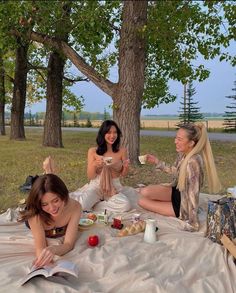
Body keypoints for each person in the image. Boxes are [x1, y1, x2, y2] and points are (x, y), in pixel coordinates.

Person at [138, 123, 221, 231]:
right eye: (176, 137)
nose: (175, 141)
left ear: (191, 143)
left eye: (179, 139)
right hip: (176, 191)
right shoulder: (183, 154)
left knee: (142, 202)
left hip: (182, 205)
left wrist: (193, 222)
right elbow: (175, 171)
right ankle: (164, 203)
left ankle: (169, 207)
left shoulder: (193, 162)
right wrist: (156, 161)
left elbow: (193, 193)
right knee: (144, 192)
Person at [19, 173, 81, 268]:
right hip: (35, 216)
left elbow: (69, 244)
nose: (52, 208)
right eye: (44, 204)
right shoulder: (34, 213)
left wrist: (54, 249)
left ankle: (47, 172)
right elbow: (40, 247)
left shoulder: (75, 207)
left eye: (55, 201)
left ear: (63, 195)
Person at [70, 120, 131, 212]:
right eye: (109, 132)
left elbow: (123, 174)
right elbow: (90, 176)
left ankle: (96, 206)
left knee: (125, 205)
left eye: (115, 132)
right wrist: (94, 165)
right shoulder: (93, 151)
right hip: (96, 185)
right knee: (81, 205)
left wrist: (126, 167)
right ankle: (93, 203)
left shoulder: (122, 151)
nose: (112, 136)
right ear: (103, 134)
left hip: (114, 187)